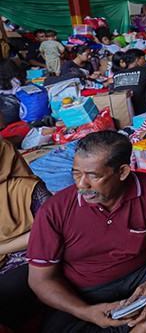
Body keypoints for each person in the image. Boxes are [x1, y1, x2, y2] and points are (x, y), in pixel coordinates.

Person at [26, 131, 146, 332]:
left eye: (93, 175)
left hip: (142, 272)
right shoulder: (54, 210)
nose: (81, 184)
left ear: (123, 172)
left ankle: (141, 327)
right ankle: (136, 316)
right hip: (87, 291)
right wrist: (87, 311)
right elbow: (40, 280)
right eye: (76, 173)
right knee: (54, 328)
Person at [0, 140, 51, 330]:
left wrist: (3, 247)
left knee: (7, 295)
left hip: (24, 256)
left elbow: (51, 230)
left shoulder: (27, 189)